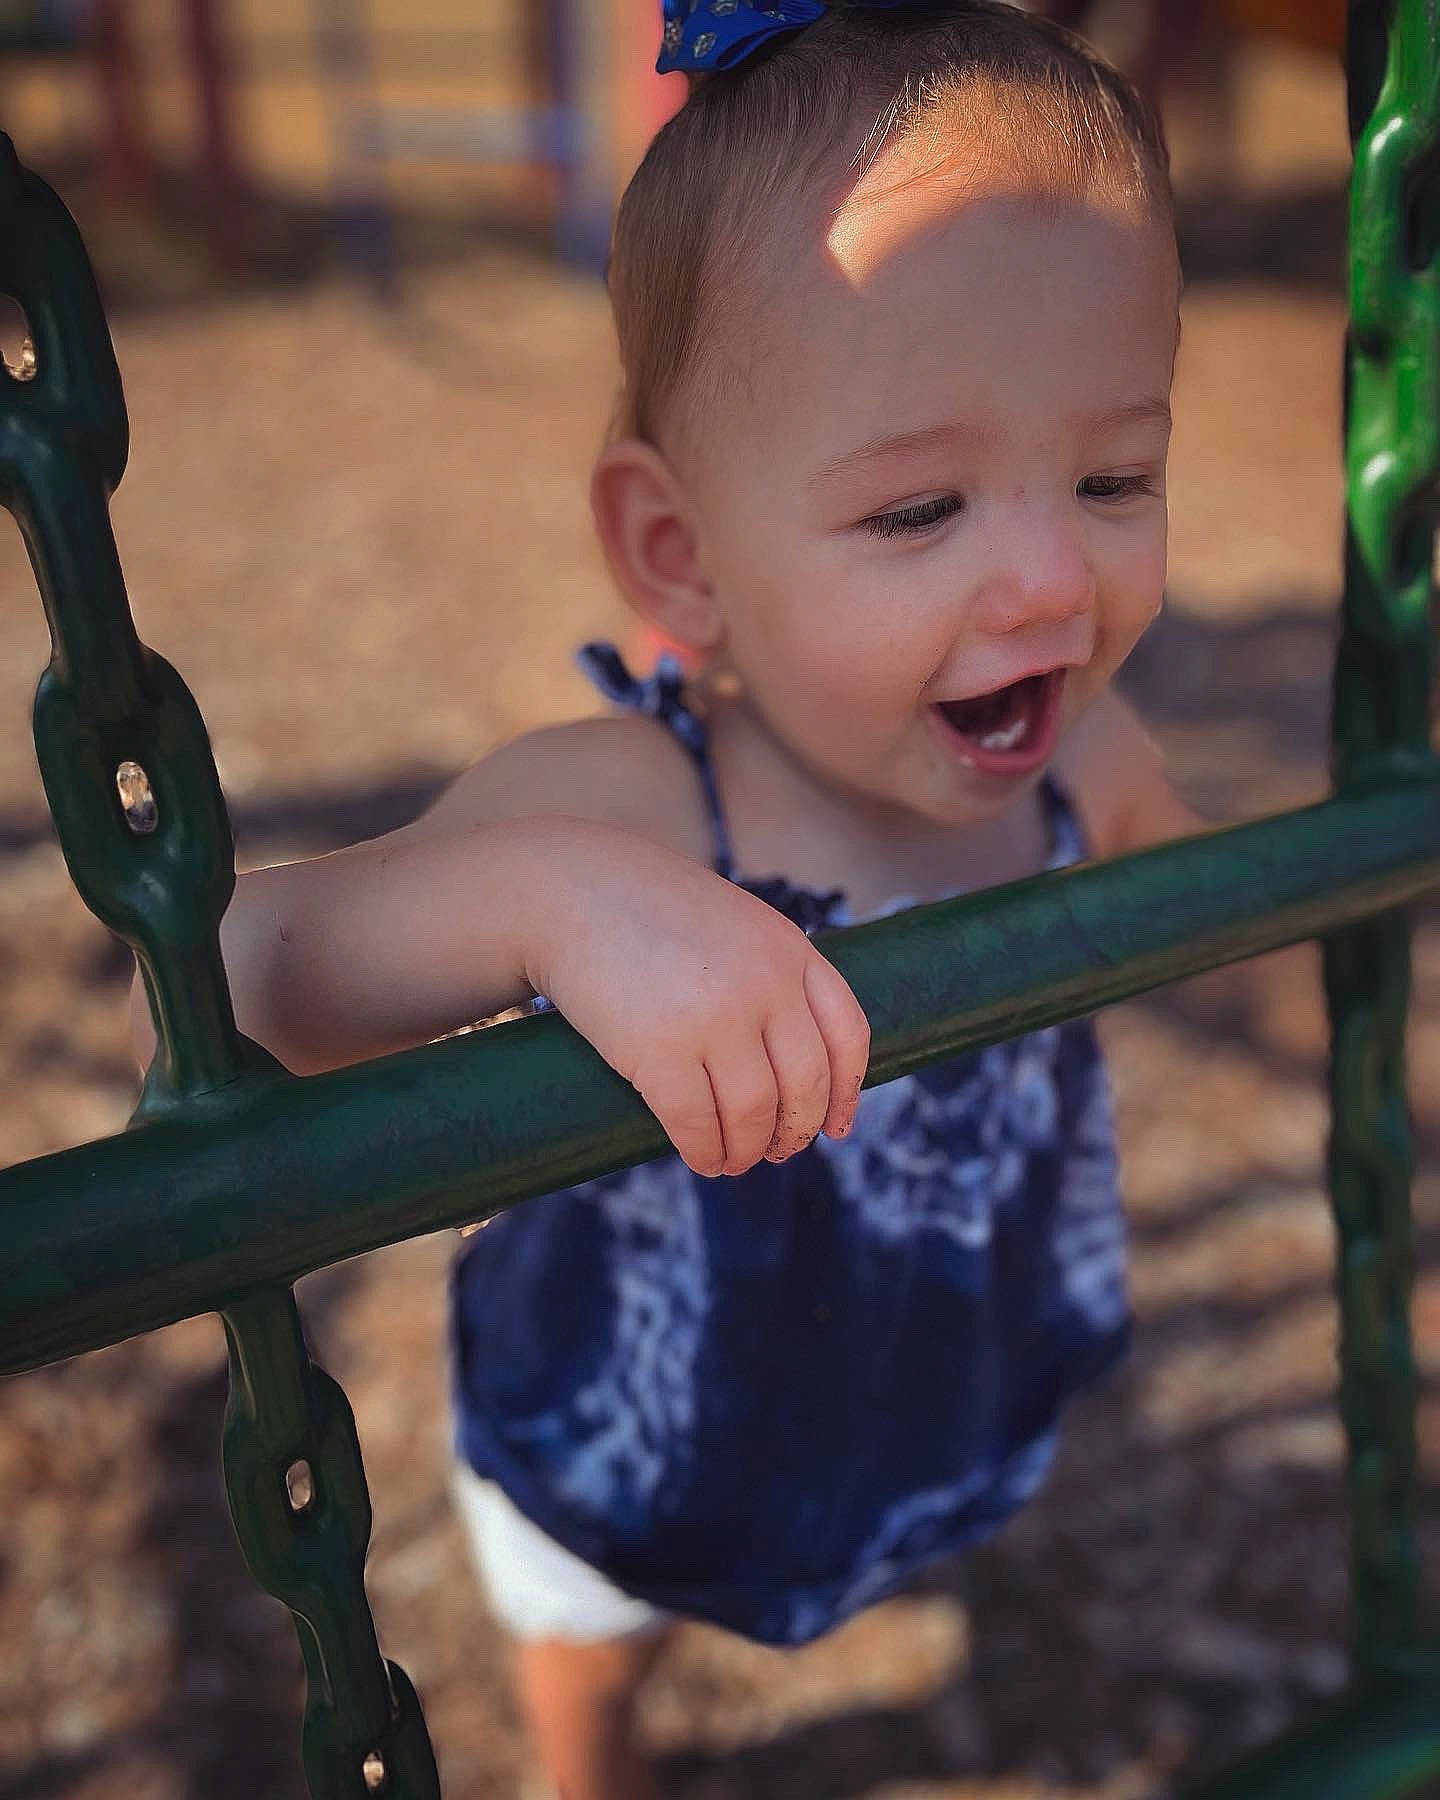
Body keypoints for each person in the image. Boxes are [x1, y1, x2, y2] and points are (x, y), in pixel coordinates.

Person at [134, 3, 1203, 1792]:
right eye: (920, 507)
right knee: (586, 1626)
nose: (1048, 580)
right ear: (680, 557)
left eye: (1116, 479)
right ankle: (587, 1765)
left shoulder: (1089, 754)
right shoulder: (633, 797)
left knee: (887, 1496)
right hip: (633, 1405)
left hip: (922, 1354)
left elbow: (1194, 898)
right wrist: (550, 900)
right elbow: (245, 974)